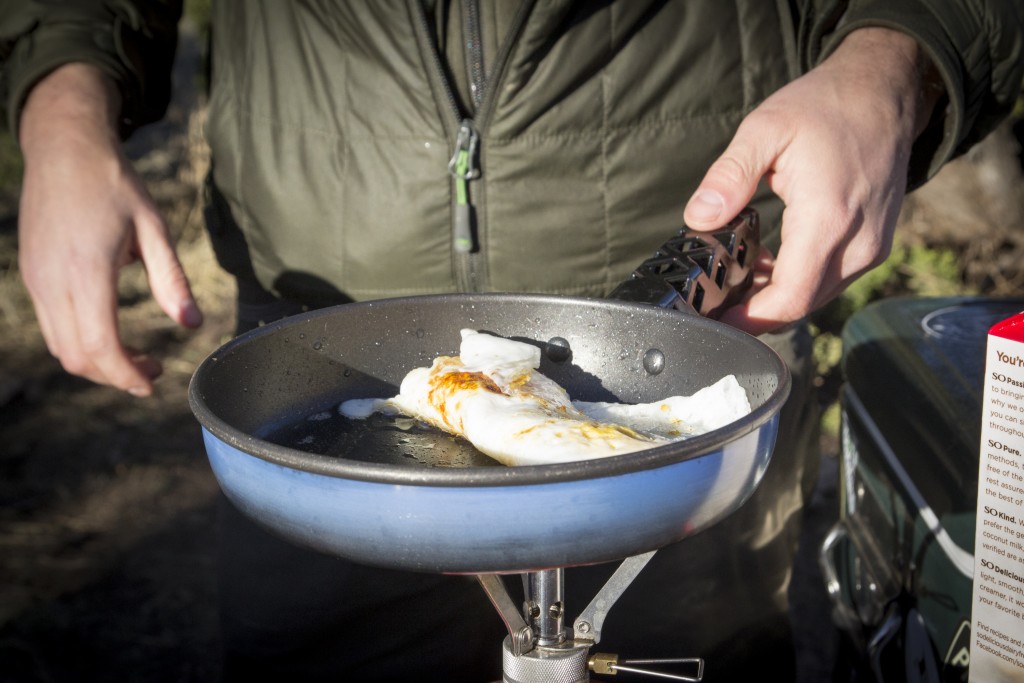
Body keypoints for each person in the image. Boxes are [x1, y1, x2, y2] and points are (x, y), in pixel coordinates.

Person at [2, 1, 1021, 681]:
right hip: (320, 359)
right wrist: (60, 104)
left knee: (688, 644)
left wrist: (899, 57)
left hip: (688, 357)